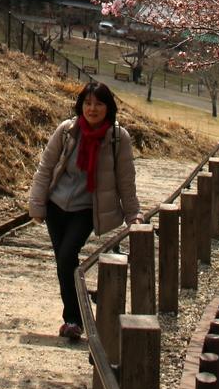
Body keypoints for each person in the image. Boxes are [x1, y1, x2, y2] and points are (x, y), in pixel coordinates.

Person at [28, 81, 141, 342]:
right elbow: (45, 168)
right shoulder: (67, 131)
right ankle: (73, 318)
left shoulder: (117, 138)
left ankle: (74, 318)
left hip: (86, 208)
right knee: (64, 262)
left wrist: (133, 213)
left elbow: (126, 180)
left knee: (67, 255)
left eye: (99, 104)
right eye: (88, 103)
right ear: (80, 105)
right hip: (56, 206)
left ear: (108, 107)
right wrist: (37, 205)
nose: (92, 109)